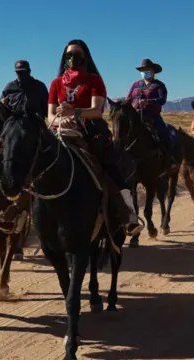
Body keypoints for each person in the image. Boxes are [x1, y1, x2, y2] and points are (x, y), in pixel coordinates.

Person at [47, 39, 144, 236]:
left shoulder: (93, 80)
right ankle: (22, 212)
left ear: (85, 57)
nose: (72, 58)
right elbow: (49, 114)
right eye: (69, 55)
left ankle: (128, 213)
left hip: (90, 130)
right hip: (60, 130)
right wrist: (59, 121)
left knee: (107, 163)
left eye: (77, 55)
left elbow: (97, 111)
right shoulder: (56, 83)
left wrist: (72, 113)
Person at [125, 59, 179, 169]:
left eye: (147, 70)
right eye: (143, 70)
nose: (145, 72)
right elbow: (128, 99)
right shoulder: (135, 85)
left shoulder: (159, 85)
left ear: (153, 71)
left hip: (152, 116)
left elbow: (162, 100)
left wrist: (149, 101)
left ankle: (170, 160)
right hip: (135, 116)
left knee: (163, 133)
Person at [0, 60, 49, 147]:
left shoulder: (39, 86)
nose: (21, 76)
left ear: (29, 71)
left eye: (23, 72)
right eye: (18, 73)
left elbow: (47, 110)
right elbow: (1, 106)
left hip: (33, 124)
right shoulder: (9, 87)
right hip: (12, 124)